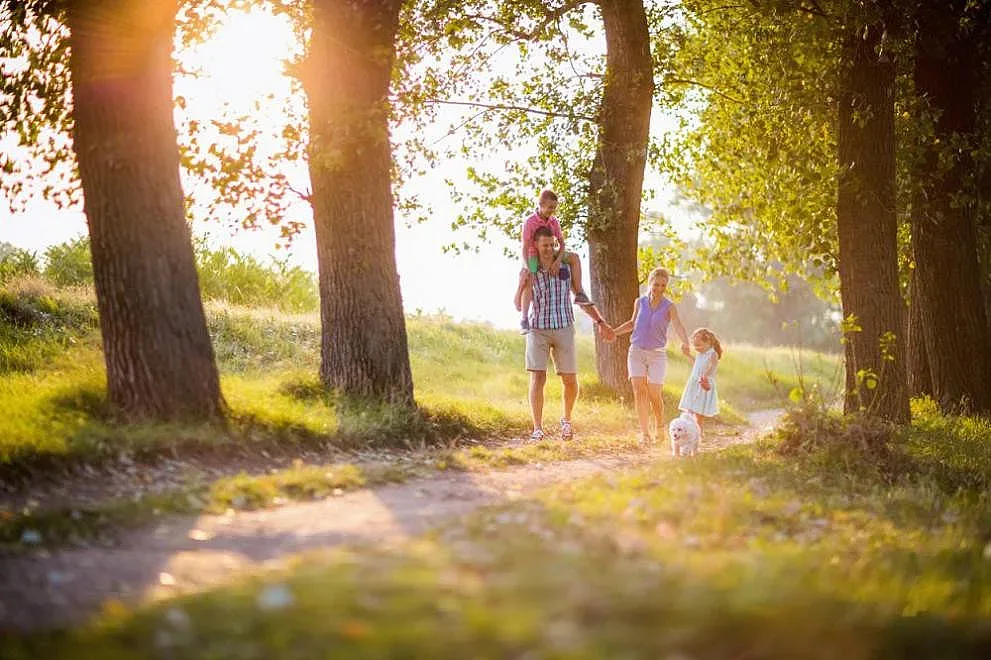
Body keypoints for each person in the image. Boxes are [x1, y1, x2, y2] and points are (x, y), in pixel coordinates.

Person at [523, 225, 614, 442]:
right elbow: (520, 303)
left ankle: (566, 420)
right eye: (543, 245)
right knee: (538, 377)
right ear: (536, 245)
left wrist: (601, 321)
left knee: (570, 379)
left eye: (551, 244)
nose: (547, 249)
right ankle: (537, 428)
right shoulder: (531, 270)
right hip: (538, 329)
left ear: (555, 244)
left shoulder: (564, 266)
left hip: (564, 327)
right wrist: (520, 287)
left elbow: (580, 297)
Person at [611, 267, 692, 444]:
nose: (659, 289)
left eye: (663, 286)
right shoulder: (639, 302)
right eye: (656, 285)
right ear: (650, 283)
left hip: (657, 355)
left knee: (654, 393)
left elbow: (678, 325)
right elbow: (632, 323)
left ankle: (660, 426)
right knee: (639, 390)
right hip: (637, 351)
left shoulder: (669, 307)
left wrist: (685, 342)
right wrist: (614, 332)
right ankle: (645, 434)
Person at [514, 189, 593, 334]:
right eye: (550, 207)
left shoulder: (554, 221)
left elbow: (562, 244)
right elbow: (525, 247)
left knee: (574, 257)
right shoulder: (530, 222)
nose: (552, 211)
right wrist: (527, 266)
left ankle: (580, 293)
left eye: (554, 208)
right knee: (529, 278)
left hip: (552, 252)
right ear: (541, 204)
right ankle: (524, 319)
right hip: (533, 255)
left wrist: (557, 261)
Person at [678, 327, 723, 441]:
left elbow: (712, 366)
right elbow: (695, 364)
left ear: (708, 342)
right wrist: (688, 355)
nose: (696, 348)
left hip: (704, 383)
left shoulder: (713, 354)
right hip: (694, 382)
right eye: (695, 346)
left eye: (699, 345)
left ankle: (699, 431)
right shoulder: (700, 354)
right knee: (689, 408)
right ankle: (688, 430)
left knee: (699, 410)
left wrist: (705, 377)